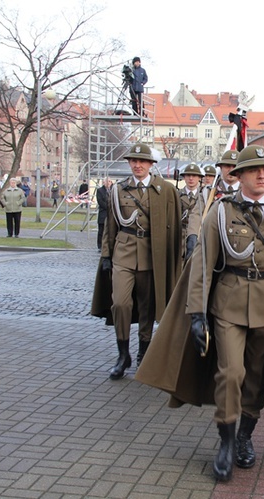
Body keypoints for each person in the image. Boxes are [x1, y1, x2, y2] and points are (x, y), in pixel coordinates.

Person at [135, 144, 264, 483]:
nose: (263, 174)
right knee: (230, 372)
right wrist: (196, 313)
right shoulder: (221, 211)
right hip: (228, 305)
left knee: (255, 376)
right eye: (254, 169)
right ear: (238, 176)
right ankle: (224, 442)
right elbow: (202, 264)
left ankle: (244, 437)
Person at [91, 143, 182, 379]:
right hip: (124, 251)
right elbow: (110, 225)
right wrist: (106, 255)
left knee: (147, 307)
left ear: (151, 164)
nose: (137, 165)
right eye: (133, 161)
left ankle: (143, 352)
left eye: (142, 161)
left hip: (153, 254)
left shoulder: (164, 190)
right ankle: (123, 355)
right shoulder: (118, 190)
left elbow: (175, 227)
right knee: (120, 303)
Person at [178, 163, 204, 260]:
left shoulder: (204, 197)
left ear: (199, 178)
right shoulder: (177, 195)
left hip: (197, 236)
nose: (191, 178)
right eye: (188, 175)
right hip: (179, 236)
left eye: (194, 176)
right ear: (184, 177)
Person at [96, 178, 112, 251]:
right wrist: (109, 207)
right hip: (103, 213)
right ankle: (100, 246)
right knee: (101, 231)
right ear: (103, 182)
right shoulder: (100, 191)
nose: (108, 183)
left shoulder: (113, 190)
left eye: (110, 181)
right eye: (107, 181)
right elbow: (100, 201)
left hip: (111, 214)